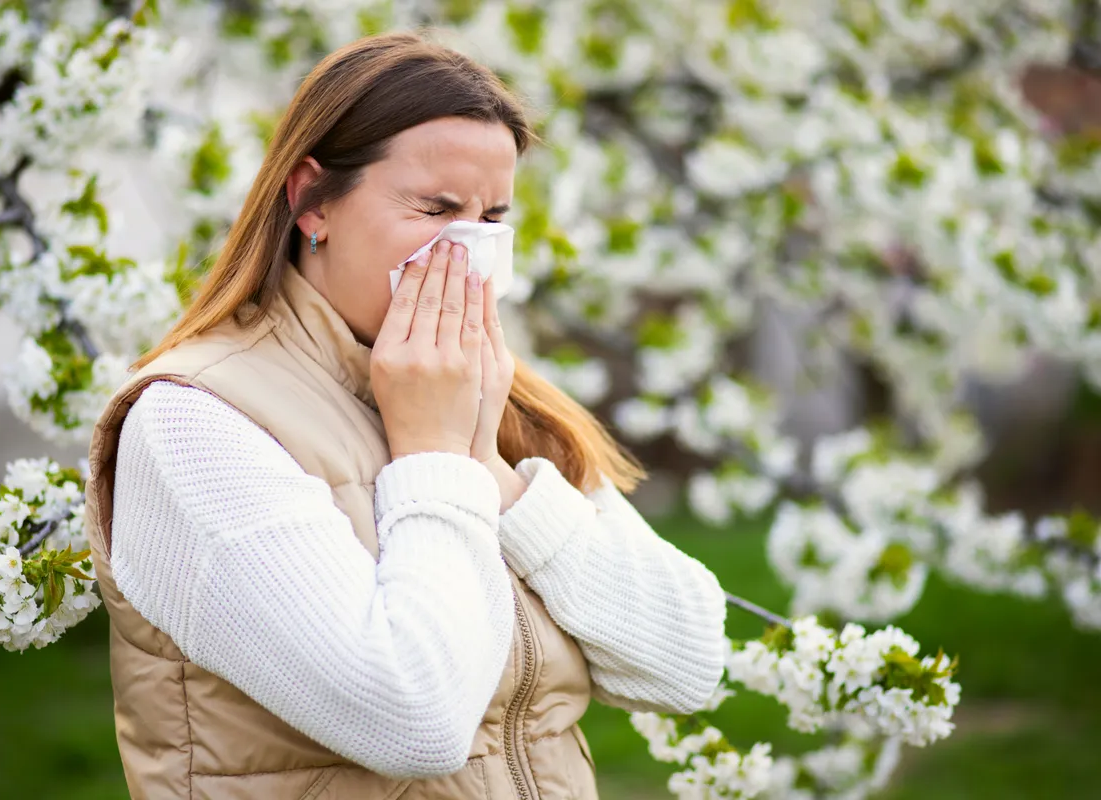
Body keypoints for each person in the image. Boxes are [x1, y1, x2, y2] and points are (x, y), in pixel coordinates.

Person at [83, 30, 727, 800]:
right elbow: (416, 717)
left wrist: (490, 466)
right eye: (435, 208)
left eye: (492, 218)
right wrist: (438, 458)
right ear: (311, 201)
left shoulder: (489, 394)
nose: (468, 249)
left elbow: (686, 661)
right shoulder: (197, 422)